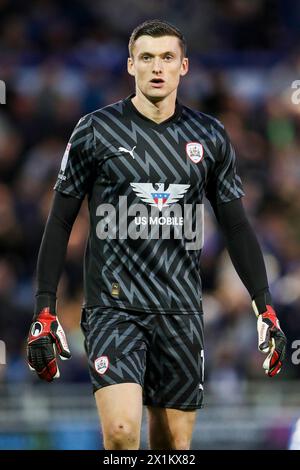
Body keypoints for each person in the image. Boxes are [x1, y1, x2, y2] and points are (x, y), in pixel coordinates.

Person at [26, 19, 287, 450]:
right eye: (146, 57)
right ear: (131, 65)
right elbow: (59, 222)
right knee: (123, 434)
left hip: (181, 312)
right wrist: (45, 308)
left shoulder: (210, 136)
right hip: (115, 309)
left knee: (173, 449)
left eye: (167, 57)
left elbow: (236, 225)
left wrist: (265, 305)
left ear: (184, 66)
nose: (156, 67)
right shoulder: (96, 130)